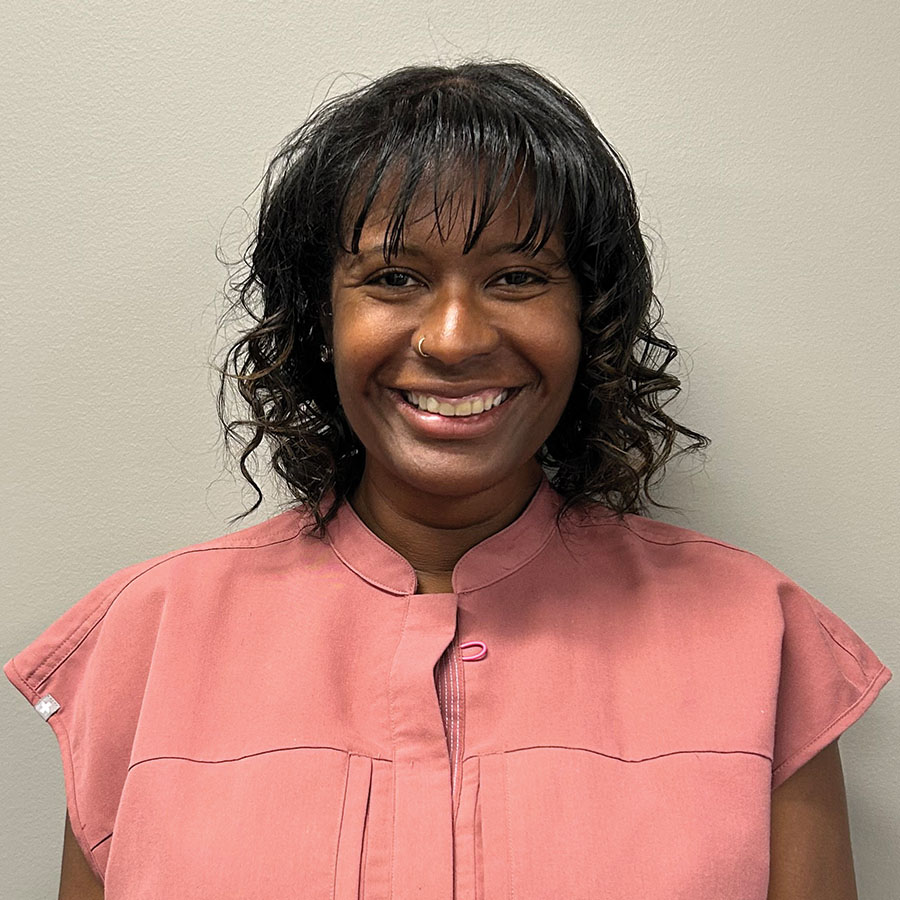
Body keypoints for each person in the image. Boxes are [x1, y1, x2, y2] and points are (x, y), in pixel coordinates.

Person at [5, 61, 891, 900]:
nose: (456, 339)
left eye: (518, 277)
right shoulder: (143, 644)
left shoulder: (755, 638)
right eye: (394, 278)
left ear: (590, 317)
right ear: (318, 317)